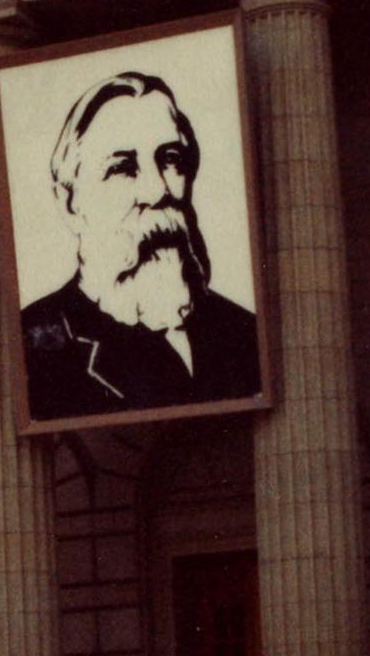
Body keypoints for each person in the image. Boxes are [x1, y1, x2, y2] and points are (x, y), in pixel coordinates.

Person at [20, 68, 261, 420]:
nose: (158, 190)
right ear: (70, 202)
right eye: (123, 168)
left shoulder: (244, 332)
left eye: (170, 160)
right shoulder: (35, 341)